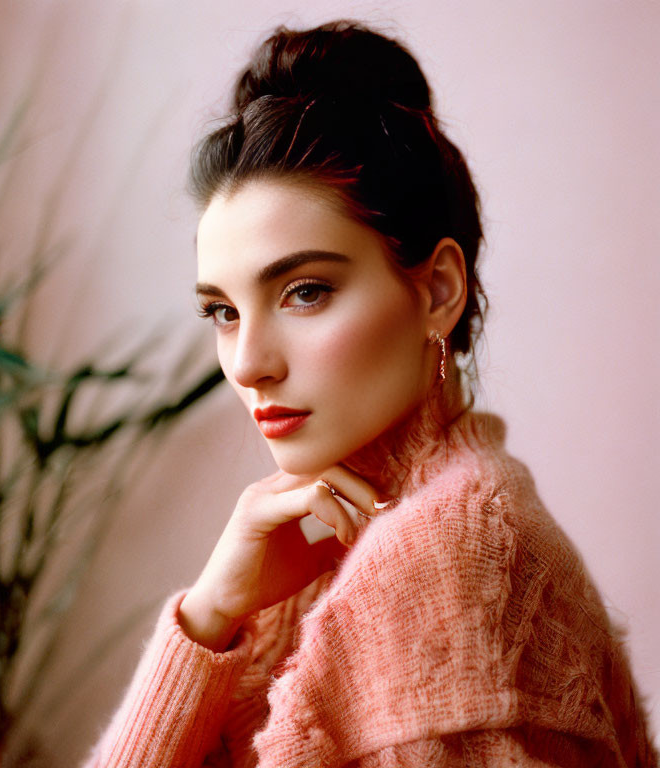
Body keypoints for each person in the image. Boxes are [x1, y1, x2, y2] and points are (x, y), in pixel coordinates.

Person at [82, 20, 657, 767]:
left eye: (305, 291)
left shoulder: (451, 558)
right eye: (223, 311)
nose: (247, 362)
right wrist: (209, 614)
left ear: (438, 290)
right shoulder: (348, 539)